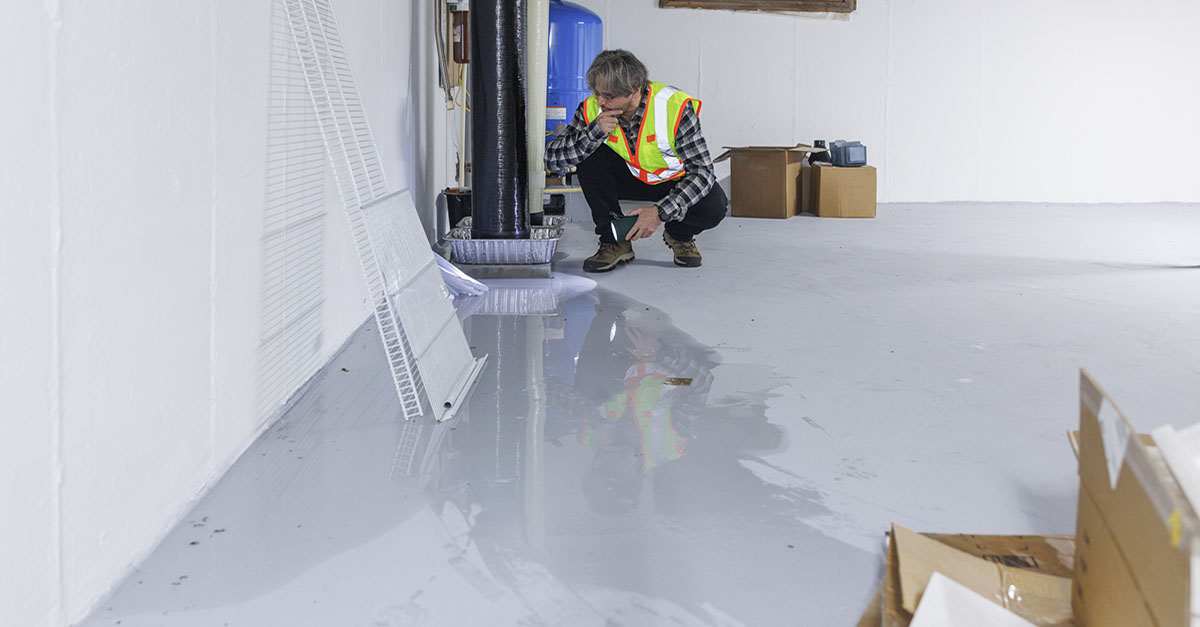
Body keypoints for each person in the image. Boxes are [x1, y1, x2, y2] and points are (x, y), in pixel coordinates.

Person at [545, 50, 728, 272]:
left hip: (672, 182)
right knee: (590, 154)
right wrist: (593, 133)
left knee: (714, 205)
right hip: (628, 179)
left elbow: (702, 172)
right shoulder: (592, 109)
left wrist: (660, 212)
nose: (600, 101)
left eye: (609, 96)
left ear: (635, 90)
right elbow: (552, 159)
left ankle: (679, 234)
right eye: (596, 92)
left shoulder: (674, 107)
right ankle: (614, 240)